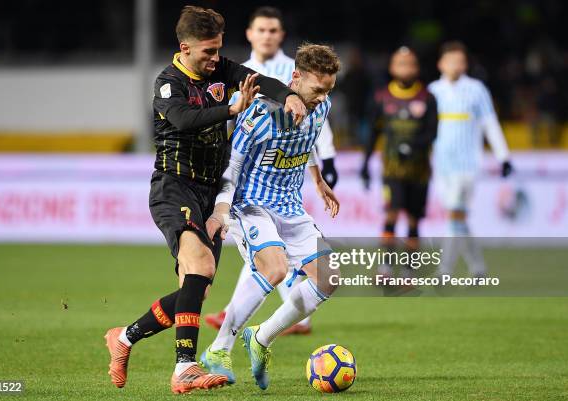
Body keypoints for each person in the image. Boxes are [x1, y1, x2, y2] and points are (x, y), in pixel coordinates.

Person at [103, 5, 306, 394]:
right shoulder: (168, 83)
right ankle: (185, 368)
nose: (216, 59)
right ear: (185, 47)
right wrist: (230, 108)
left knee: (196, 287)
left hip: (211, 191)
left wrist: (290, 96)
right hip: (174, 186)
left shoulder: (220, 69)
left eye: (218, 50)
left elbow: (258, 79)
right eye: (208, 52)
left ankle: (124, 338)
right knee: (198, 265)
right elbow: (181, 119)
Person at [199, 43, 340, 389]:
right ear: (296, 78)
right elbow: (231, 166)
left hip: (291, 207)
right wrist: (220, 211)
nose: (322, 98)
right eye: (317, 89)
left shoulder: (322, 107)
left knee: (329, 278)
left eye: (328, 90)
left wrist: (318, 180)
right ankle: (219, 350)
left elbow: (306, 140)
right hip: (250, 205)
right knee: (274, 268)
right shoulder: (261, 114)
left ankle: (261, 337)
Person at [428, 41, 513, 278]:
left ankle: (444, 270)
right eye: (451, 61)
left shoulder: (477, 90)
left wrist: (503, 156)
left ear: (465, 64)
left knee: (455, 214)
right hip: (442, 164)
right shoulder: (433, 91)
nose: (456, 66)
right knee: (458, 218)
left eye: (460, 61)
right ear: (441, 64)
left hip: (467, 165)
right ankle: (478, 268)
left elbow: (489, 123)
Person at [361, 47, 437, 285]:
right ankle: (385, 268)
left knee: (414, 219)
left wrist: (412, 148)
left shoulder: (427, 97)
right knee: (392, 213)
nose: (406, 68)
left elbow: (432, 133)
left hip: (419, 169)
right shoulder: (381, 97)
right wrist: (365, 162)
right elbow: (374, 131)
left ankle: (409, 271)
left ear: (417, 68)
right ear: (392, 68)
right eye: (400, 64)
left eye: (410, 64)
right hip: (392, 168)